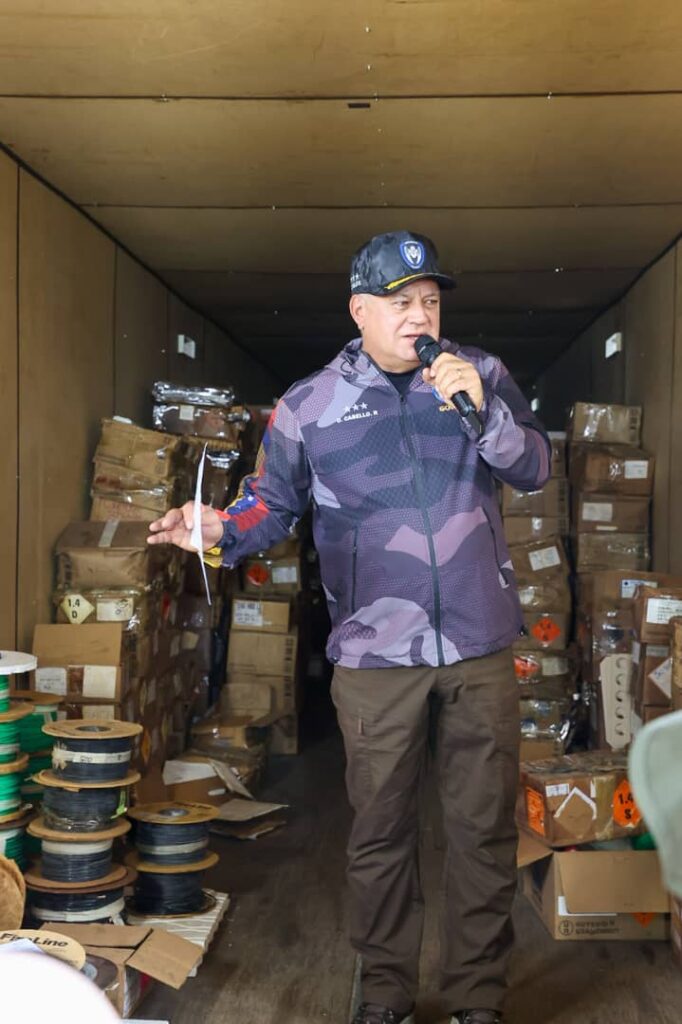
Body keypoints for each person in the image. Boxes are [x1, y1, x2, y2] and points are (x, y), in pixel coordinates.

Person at [149, 230, 551, 1024]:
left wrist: (485, 415)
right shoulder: (310, 406)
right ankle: (388, 997)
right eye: (400, 303)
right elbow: (271, 507)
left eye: (430, 301)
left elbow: (534, 465)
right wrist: (219, 530)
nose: (420, 316)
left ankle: (477, 1001)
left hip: (478, 647)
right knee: (381, 835)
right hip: (375, 657)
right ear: (359, 310)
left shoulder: (481, 375)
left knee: (482, 833)